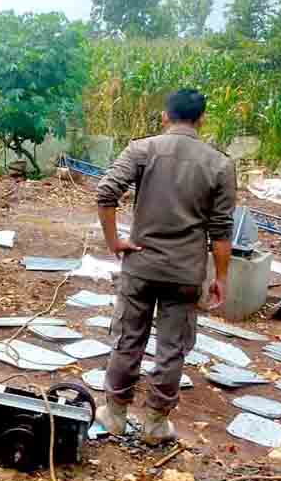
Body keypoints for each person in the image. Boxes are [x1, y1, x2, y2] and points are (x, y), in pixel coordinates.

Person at [94, 88, 236, 445]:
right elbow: (221, 231)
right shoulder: (220, 165)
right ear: (202, 119)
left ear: (164, 116)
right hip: (185, 273)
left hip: (141, 265)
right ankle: (155, 425)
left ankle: (115, 415)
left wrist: (114, 241)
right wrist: (221, 277)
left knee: (128, 338)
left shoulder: (142, 149)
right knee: (172, 348)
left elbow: (106, 192)